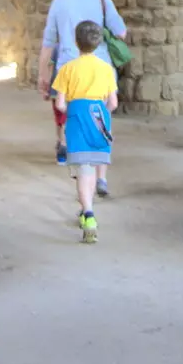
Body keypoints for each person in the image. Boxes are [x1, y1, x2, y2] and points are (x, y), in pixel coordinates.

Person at [37, 0, 127, 200]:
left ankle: (79, 165)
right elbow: (121, 32)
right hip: (101, 69)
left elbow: (48, 43)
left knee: (72, 117)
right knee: (102, 117)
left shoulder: (59, 3)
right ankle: (102, 178)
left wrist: (42, 74)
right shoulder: (102, 0)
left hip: (70, 69)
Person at [52, 21, 117, 243]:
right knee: (93, 164)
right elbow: (113, 103)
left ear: (76, 42)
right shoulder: (106, 69)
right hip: (99, 116)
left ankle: (88, 214)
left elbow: (60, 104)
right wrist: (101, 115)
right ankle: (87, 209)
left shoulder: (67, 69)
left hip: (77, 117)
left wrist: (74, 111)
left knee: (83, 169)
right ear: (98, 43)